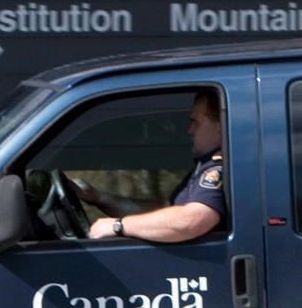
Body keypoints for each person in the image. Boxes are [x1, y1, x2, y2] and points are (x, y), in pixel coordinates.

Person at [84, 89, 226, 243]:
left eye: (195, 122)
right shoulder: (202, 167)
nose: (189, 130)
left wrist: (118, 226)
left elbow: (193, 221)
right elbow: (163, 214)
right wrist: (98, 198)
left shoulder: (217, 168)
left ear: (220, 126)